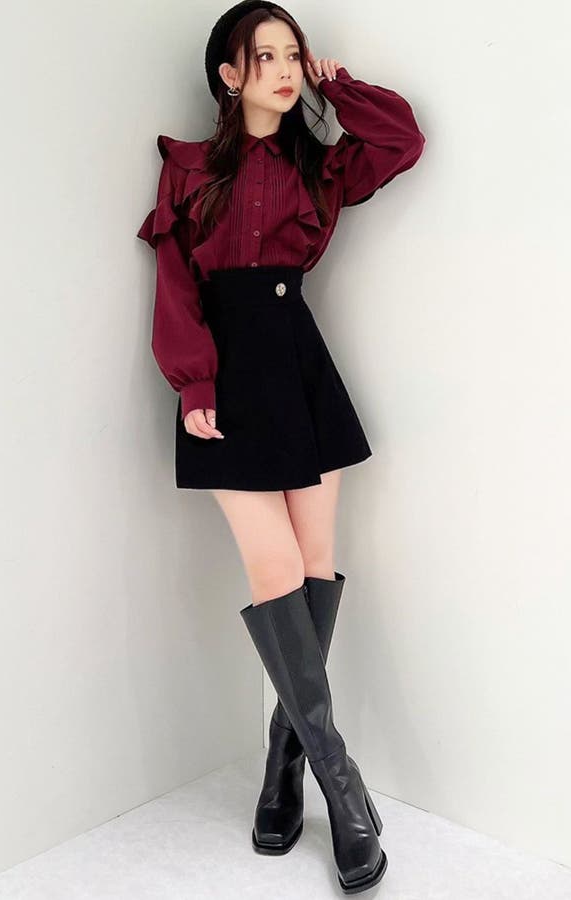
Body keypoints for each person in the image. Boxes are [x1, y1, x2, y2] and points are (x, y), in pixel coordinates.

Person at [136, 2, 425, 893]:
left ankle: (283, 763)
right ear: (229, 76)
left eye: (291, 54)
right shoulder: (190, 170)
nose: (283, 68)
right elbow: (177, 283)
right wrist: (194, 384)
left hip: (298, 361)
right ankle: (343, 783)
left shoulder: (319, 166)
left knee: (314, 563)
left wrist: (342, 87)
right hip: (229, 374)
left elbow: (402, 140)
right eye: (263, 57)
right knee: (275, 571)